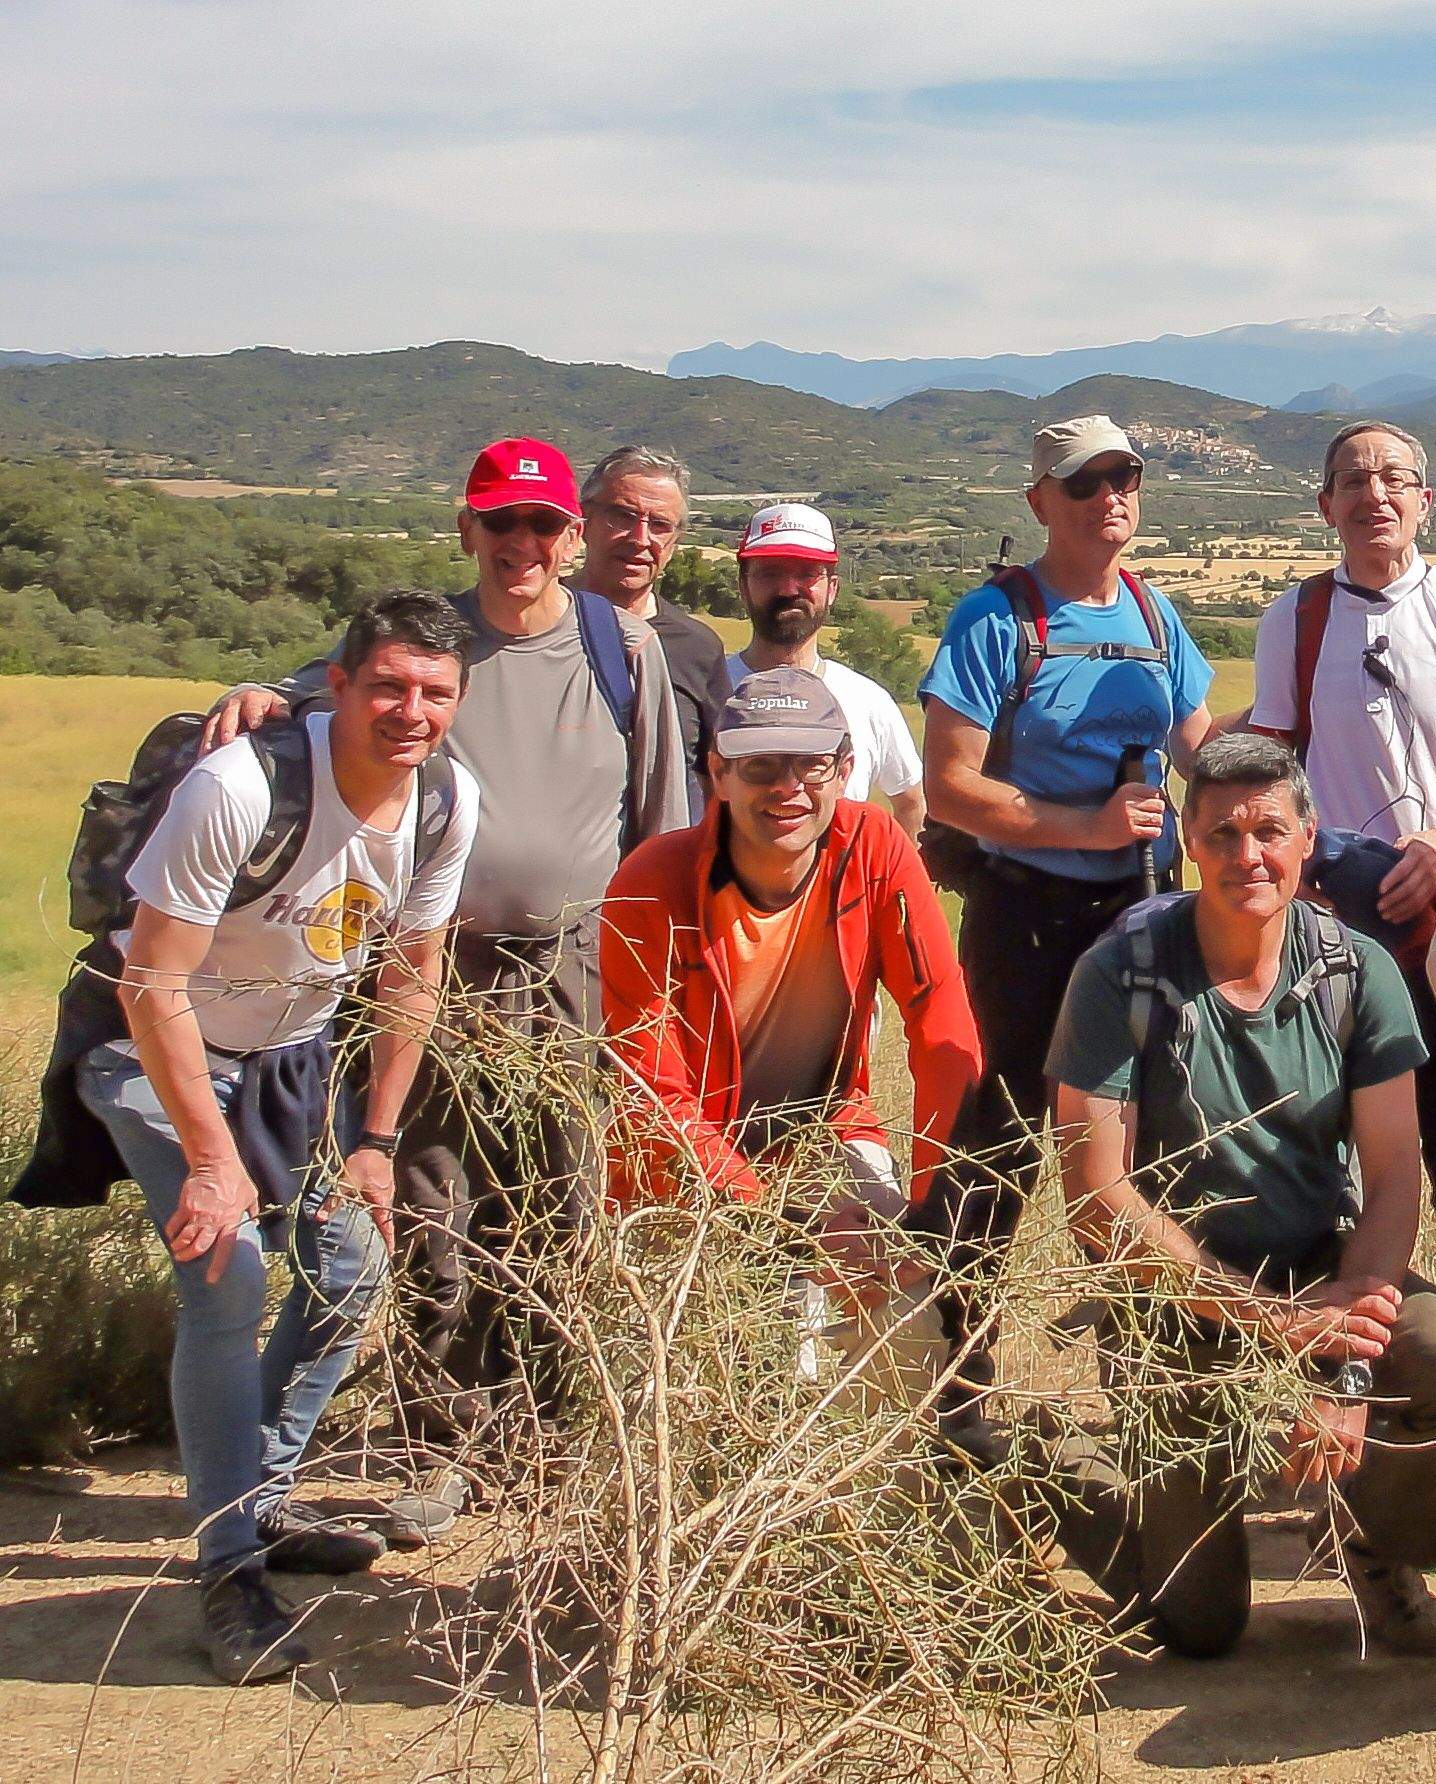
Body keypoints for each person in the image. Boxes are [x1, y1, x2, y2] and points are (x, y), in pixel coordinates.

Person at [204, 436, 692, 1543]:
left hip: (578, 969)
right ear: (467, 529)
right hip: (425, 971)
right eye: (500, 523)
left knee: (562, 1202)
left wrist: (651, 977)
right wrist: (251, 695)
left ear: (573, 538)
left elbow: (662, 816)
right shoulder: (428, 644)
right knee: (431, 1203)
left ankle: (549, 1436)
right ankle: (442, 1448)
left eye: (542, 526)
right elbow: (321, 699)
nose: (522, 545)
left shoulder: (618, 645)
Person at [1043, 734, 1436, 1658]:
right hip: (1173, 1302)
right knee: (1200, 1628)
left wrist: (1341, 1365)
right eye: (1221, 834)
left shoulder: (1356, 971)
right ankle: (1049, 1459)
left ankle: (1378, 1553)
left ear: (1307, 840)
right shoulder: (1123, 973)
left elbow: (1391, 1178)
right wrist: (1271, 1327)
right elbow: (1097, 1197)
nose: (1246, 856)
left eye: (1268, 832)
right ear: (1188, 841)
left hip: (1320, 1272)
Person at [86, 591, 480, 1682]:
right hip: (162, 1048)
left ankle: (250, 1501)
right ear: (339, 685)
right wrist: (212, 1161)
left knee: (352, 1269)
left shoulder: (446, 800)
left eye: (435, 691)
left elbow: (410, 975)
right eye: (388, 685)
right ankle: (227, 1571)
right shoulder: (240, 784)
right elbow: (150, 978)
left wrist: (376, 1138)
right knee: (227, 1268)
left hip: (292, 1063)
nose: (411, 710)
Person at [918, 414, 1216, 1453]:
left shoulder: (1154, 612)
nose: (1110, 498)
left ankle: (1148, 1385)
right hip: (1027, 915)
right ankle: (954, 1381)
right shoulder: (998, 618)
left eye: (1126, 477)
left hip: (1142, 909)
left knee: (1145, 1149)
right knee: (997, 1144)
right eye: (1084, 483)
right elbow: (948, 786)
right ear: (1040, 499)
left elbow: (1200, 750)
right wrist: (1083, 826)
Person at [601, 667, 982, 1395]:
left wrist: (929, 1215)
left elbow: (942, 1028)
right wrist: (786, 1223)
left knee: (905, 1316)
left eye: (811, 765)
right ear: (718, 773)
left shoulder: (873, 847)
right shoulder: (654, 881)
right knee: (697, 1382)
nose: (788, 790)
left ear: (845, 770)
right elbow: (655, 1100)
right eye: (760, 767)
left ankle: (879, 1493)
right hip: (683, 1164)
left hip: (823, 1133)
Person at [1245, 420, 1436, 1332]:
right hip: (1333, 926)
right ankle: (1348, 1349)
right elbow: (1278, 758)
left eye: (1395, 478)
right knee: (1331, 1149)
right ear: (1326, 507)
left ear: (1425, 500)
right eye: (1353, 481)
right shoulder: (1295, 618)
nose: (1376, 495)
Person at [724, 501, 927, 835]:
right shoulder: (705, 691)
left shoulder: (868, 701)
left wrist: (898, 883)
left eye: (807, 574)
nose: (788, 589)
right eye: (770, 572)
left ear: (832, 588)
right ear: (743, 586)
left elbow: (910, 802)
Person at [576, 444, 730, 814]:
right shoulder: (539, 624)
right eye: (623, 516)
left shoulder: (698, 648)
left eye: (659, 525)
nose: (640, 538)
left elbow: (720, 777)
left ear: (674, 542)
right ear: (583, 523)